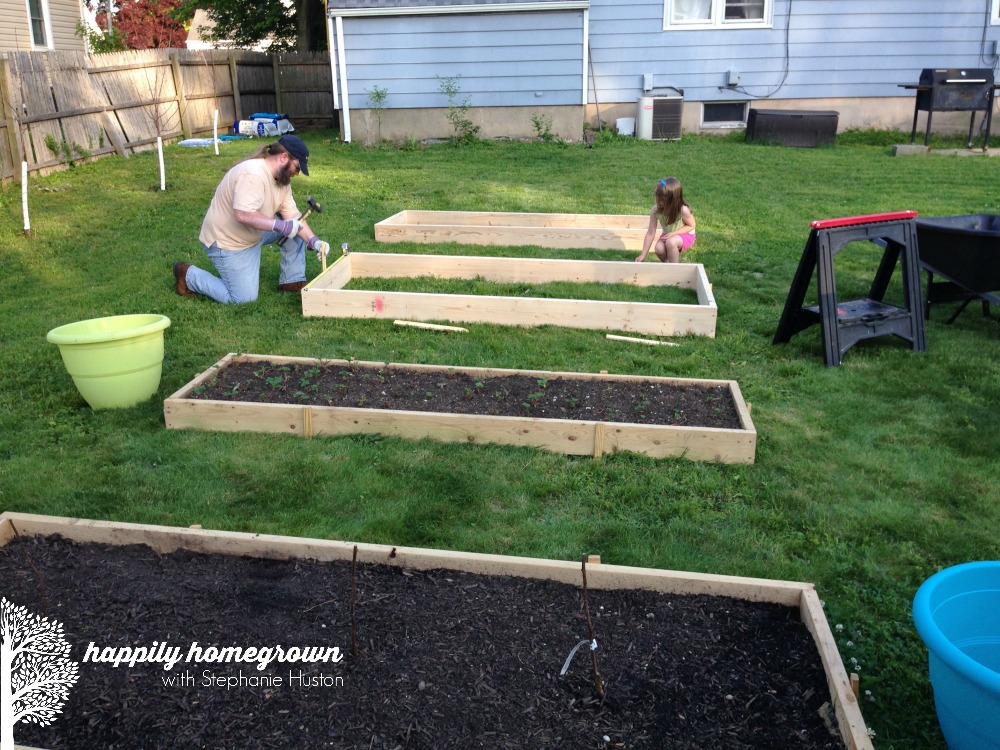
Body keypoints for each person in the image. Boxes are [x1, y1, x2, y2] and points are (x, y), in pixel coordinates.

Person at [172, 134, 330, 303]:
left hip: (254, 234)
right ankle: (187, 274)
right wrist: (281, 226)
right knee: (242, 299)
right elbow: (243, 214)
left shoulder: (282, 180)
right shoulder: (253, 174)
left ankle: (292, 280)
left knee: (296, 228)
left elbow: (292, 215)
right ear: (284, 157)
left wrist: (313, 241)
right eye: (297, 168)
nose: (297, 174)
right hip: (227, 242)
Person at [635, 177, 696, 263]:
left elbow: (691, 225)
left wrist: (673, 233)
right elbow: (650, 233)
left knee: (671, 242)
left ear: (673, 200)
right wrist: (643, 255)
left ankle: (675, 268)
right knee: (659, 249)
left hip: (686, 235)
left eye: (662, 200)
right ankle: (668, 264)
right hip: (668, 235)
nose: (658, 202)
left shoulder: (683, 210)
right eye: (657, 198)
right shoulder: (655, 210)